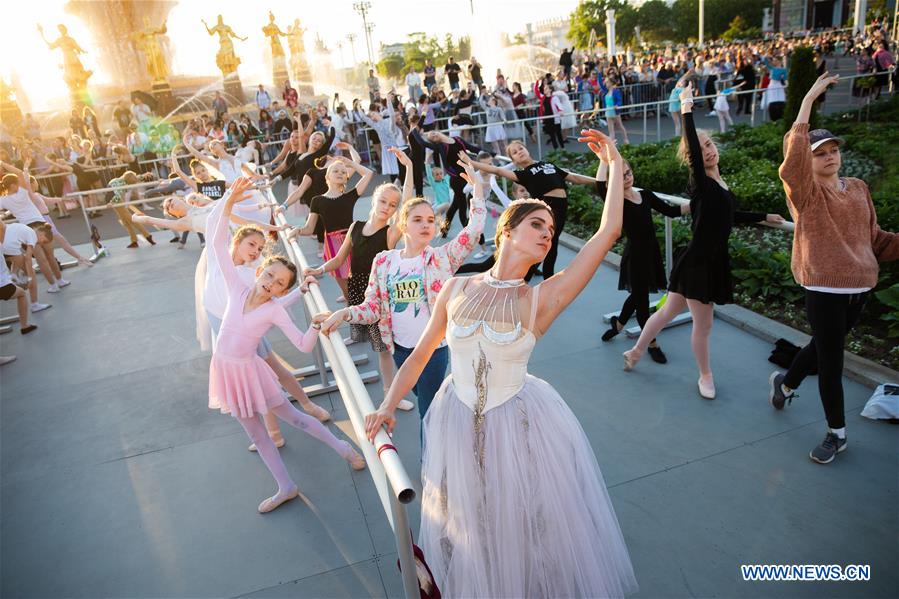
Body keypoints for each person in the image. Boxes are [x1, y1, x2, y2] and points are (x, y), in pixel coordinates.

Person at [362, 130, 637, 597]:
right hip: (455, 415)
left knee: (520, 520)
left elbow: (608, 232)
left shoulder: (541, 298)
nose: (548, 237)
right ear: (507, 229)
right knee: (466, 516)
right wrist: (387, 405)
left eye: (551, 233)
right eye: (538, 226)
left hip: (518, 422)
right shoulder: (457, 287)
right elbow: (424, 352)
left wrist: (611, 163)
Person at [206, 179, 363, 514]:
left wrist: (316, 322)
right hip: (223, 371)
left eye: (279, 284)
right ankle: (286, 486)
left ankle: (343, 448)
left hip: (249, 372)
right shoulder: (238, 288)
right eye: (269, 275)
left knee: (294, 417)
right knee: (257, 435)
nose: (271, 283)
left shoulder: (275, 310)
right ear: (260, 270)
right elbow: (218, 241)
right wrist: (229, 202)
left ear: (281, 291)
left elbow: (304, 346)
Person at [622, 83, 783, 399]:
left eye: (710, 145)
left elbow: (729, 215)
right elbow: (695, 154)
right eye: (702, 148)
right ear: (694, 157)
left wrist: (764, 216)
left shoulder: (718, 184)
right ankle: (705, 376)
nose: (708, 150)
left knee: (667, 313)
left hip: (704, 259)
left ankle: (637, 351)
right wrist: (686, 106)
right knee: (704, 325)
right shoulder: (702, 182)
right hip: (699, 262)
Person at [771, 73, 899, 464]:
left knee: (823, 346)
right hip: (824, 289)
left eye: (833, 150)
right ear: (808, 161)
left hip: (859, 287)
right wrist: (808, 99)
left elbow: (875, 239)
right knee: (831, 360)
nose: (829, 156)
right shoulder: (806, 194)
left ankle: (787, 382)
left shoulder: (858, 188)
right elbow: (791, 165)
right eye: (820, 152)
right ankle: (836, 434)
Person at [314, 156, 486, 429]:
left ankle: (432, 466)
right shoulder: (384, 261)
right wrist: (343, 313)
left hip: (432, 351)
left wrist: (477, 192)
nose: (426, 224)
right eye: (417, 219)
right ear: (403, 225)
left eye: (430, 219)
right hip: (399, 350)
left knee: (428, 415)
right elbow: (372, 307)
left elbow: (473, 231)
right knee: (429, 403)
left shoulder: (441, 259)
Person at [301, 150, 415, 410]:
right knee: (381, 347)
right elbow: (339, 260)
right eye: (383, 201)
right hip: (358, 290)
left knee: (386, 347)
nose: (387, 208)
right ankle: (391, 393)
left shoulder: (391, 232)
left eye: (392, 205)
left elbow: (407, 198)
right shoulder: (355, 227)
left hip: (380, 294)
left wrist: (408, 166)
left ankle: (391, 395)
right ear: (374, 200)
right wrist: (318, 270)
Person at [598, 157, 689, 363]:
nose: (627, 178)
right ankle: (652, 344)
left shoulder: (645, 195)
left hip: (651, 253)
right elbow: (598, 185)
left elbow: (672, 211)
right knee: (642, 302)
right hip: (635, 257)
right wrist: (605, 160)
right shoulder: (617, 201)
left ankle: (619, 325)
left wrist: (696, 204)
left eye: (628, 173)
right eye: (620, 177)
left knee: (639, 293)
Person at [468, 140, 599, 278]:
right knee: (551, 247)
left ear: (527, 149)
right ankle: (540, 281)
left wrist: (598, 181)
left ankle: (526, 279)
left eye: (521, 148)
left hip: (561, 209)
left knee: (550, 247)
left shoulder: (548, 164)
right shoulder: (524, 174)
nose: (519, 151)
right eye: (515, 152)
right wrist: (471, 163)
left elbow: (573, 177)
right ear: (514, 160)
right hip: (548, 210)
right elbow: (497, 170)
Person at [290, 154, 374, 304]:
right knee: (347, 291)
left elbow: (368, 173)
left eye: (343, 172)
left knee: (362, 285)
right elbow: (309, 228)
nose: (340, 173)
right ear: (327, 176)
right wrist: (298, 230)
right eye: (336, 170)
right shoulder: (317, 200)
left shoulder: (350, 196)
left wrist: (350, 163)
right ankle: (352, 306)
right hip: (333, 245)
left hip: (352, 242)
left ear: (347, 178)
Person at [0, 221, 37, 339]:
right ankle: (24, 326)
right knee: (21, 294)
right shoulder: (5, 244)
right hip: (2, 286)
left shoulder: (6, 244)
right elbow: (23, 259)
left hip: (5, 283)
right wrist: (29, 278)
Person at [107, 171, 157, 248]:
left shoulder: (122, 179)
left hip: (117, 200)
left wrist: (110, 202)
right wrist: (144, 175)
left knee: (130, 220)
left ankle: (147, 235)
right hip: (117, 199)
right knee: (126, 221)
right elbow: (117, 194)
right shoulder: (122, 183)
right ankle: (134, 240)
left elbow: (117, 195)